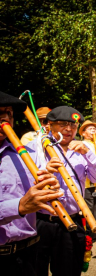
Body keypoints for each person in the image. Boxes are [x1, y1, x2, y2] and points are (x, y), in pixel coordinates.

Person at [32, 106, 96, 276]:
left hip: (72, 223)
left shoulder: (83, 149)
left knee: (69, 271)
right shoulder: (35, 148)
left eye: (73, 125)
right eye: (62, 124)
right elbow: (22, 183)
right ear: (49, 125)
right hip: (41, 221)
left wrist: (88, 153)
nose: (69, 129)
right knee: (35, 270)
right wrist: (45, 170)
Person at [0, 92, 61, 276]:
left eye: (8, 113)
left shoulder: (28, 155)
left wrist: (49, 189)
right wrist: (18, 206)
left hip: (28, 252)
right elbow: (22, 204)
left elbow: (38, 196)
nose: (5, 118)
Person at [79, 120, 96, 240]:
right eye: (90, 129)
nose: (93, 130)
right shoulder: (81, 145)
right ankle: (90, 232)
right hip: (89, 183)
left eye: (94, 128)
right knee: (91, 208)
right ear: (83, 133)